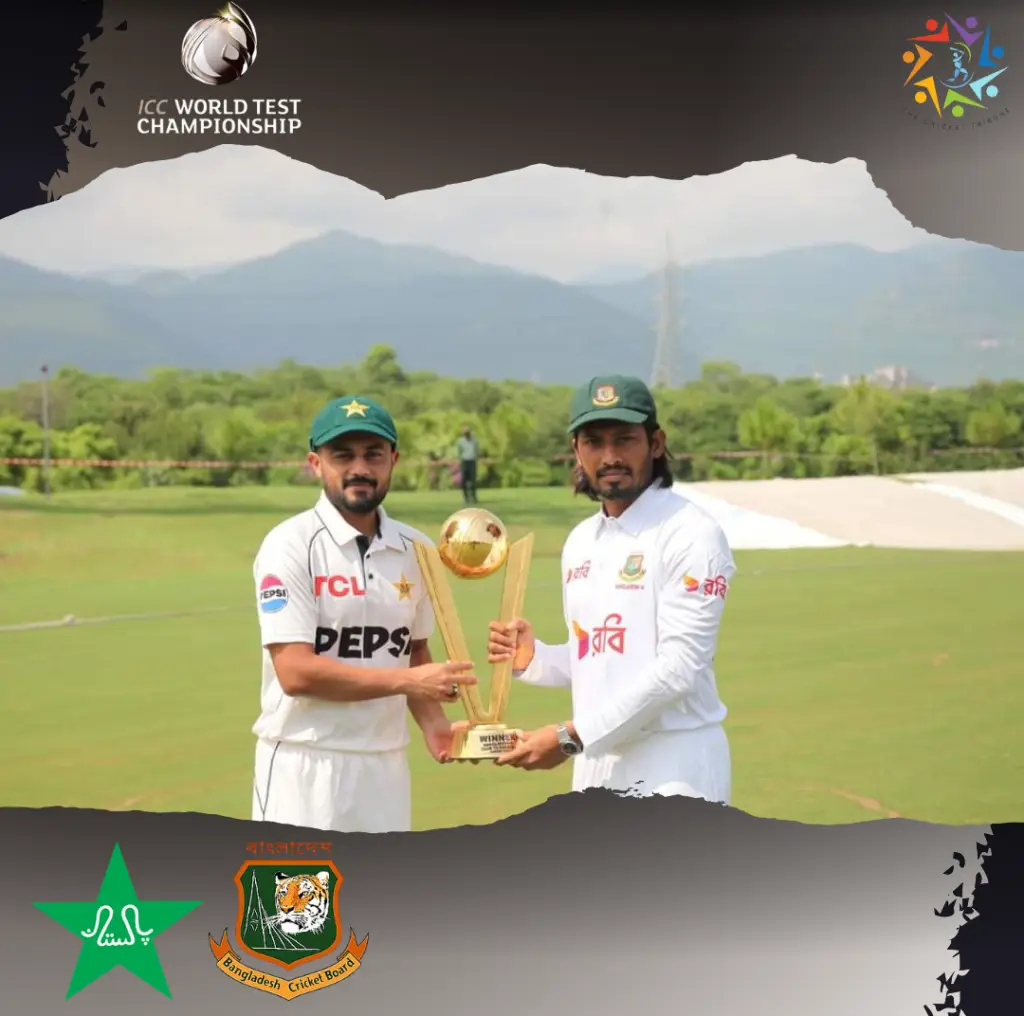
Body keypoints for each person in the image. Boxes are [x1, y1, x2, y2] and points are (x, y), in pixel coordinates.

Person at [486, 375, 736, 803]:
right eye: (594, 443)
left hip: (674, 763)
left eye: (625, 440)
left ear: (655, 444)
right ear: (576, 451)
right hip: (596, 762)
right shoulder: (582, 540)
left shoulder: (690, 533)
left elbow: (677, 669)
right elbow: (602, 657)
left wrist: (569, 736)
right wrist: (537, 658)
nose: (610, 456)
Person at [250, 394, 478, 833]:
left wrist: (435, 724)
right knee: (294, 906)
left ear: (393, 459)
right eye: (343, 455)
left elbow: (413, 653)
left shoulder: (417, 550)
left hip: (385, 768)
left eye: (373, 454)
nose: (359, 468)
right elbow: (296, 673)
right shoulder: (291, 544)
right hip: (304, 767)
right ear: (316, 463)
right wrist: (410, 681)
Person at [455, 426, 479, 504]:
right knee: (464, 480)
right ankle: (466, 498)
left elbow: (477, 450)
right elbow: (459, 451)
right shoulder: (460, 441)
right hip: (464, 461)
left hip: (472, 461)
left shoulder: (474, 440)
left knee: (473, 480)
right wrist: (459, 460)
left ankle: (474, 497)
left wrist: (476, 457)